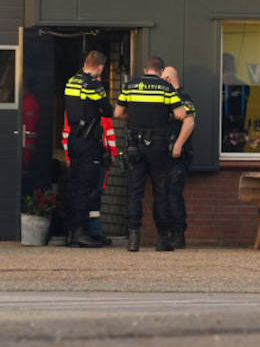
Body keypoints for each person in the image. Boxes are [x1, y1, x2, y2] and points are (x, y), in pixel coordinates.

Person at [115, 56, 189, 252]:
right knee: (161, 192)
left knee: (135, 192)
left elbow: (118, 113)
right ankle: (162, 239)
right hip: (157, 146)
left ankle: (133, 237)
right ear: (160, 70)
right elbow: (181, 114)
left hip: (134, 145)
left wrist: (135, 117)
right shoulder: (166, 89)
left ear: (145, 69)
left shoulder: (130, 86)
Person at [60, 51, 112, 248]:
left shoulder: (71, 81)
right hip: (89, 142)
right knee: (86, 187)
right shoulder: (94, 85)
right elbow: (106, 110)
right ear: (100, 67)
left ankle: (73, 232)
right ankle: (81, 233)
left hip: (74, 140)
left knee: (74, 186)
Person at [161, 64, 198, 249]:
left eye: (163, 79)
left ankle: (178, 234)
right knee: (164, 194)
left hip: (177, 156)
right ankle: (167, 234)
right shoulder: (165, 98)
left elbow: (189, 122)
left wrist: (178, 144)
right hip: (163, 154)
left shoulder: (183, 98)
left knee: (174, 195)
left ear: (168, 80)